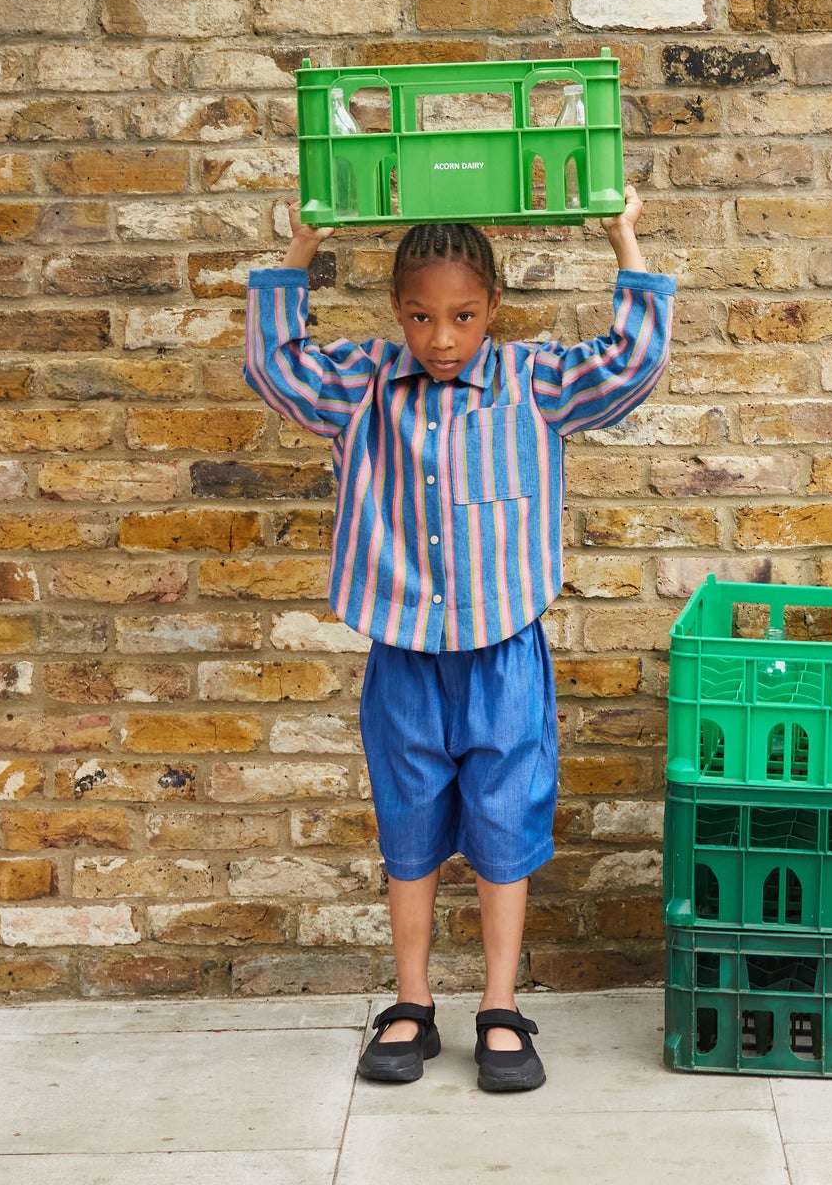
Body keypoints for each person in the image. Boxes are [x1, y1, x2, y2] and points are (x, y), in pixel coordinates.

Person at [244, 188, 672, 1091]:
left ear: (495, 311)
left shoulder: (533, 381)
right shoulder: (362, 385)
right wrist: (300, 244)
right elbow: (277, 368)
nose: (442, 339)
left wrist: (622, 236)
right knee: (409, 826)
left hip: (503, 651)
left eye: (463, 317)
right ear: (396, 313)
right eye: (421, 317)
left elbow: (630, 362)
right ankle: (410, 1003)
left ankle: (500, 1004)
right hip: (402, 651)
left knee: (505, 823)